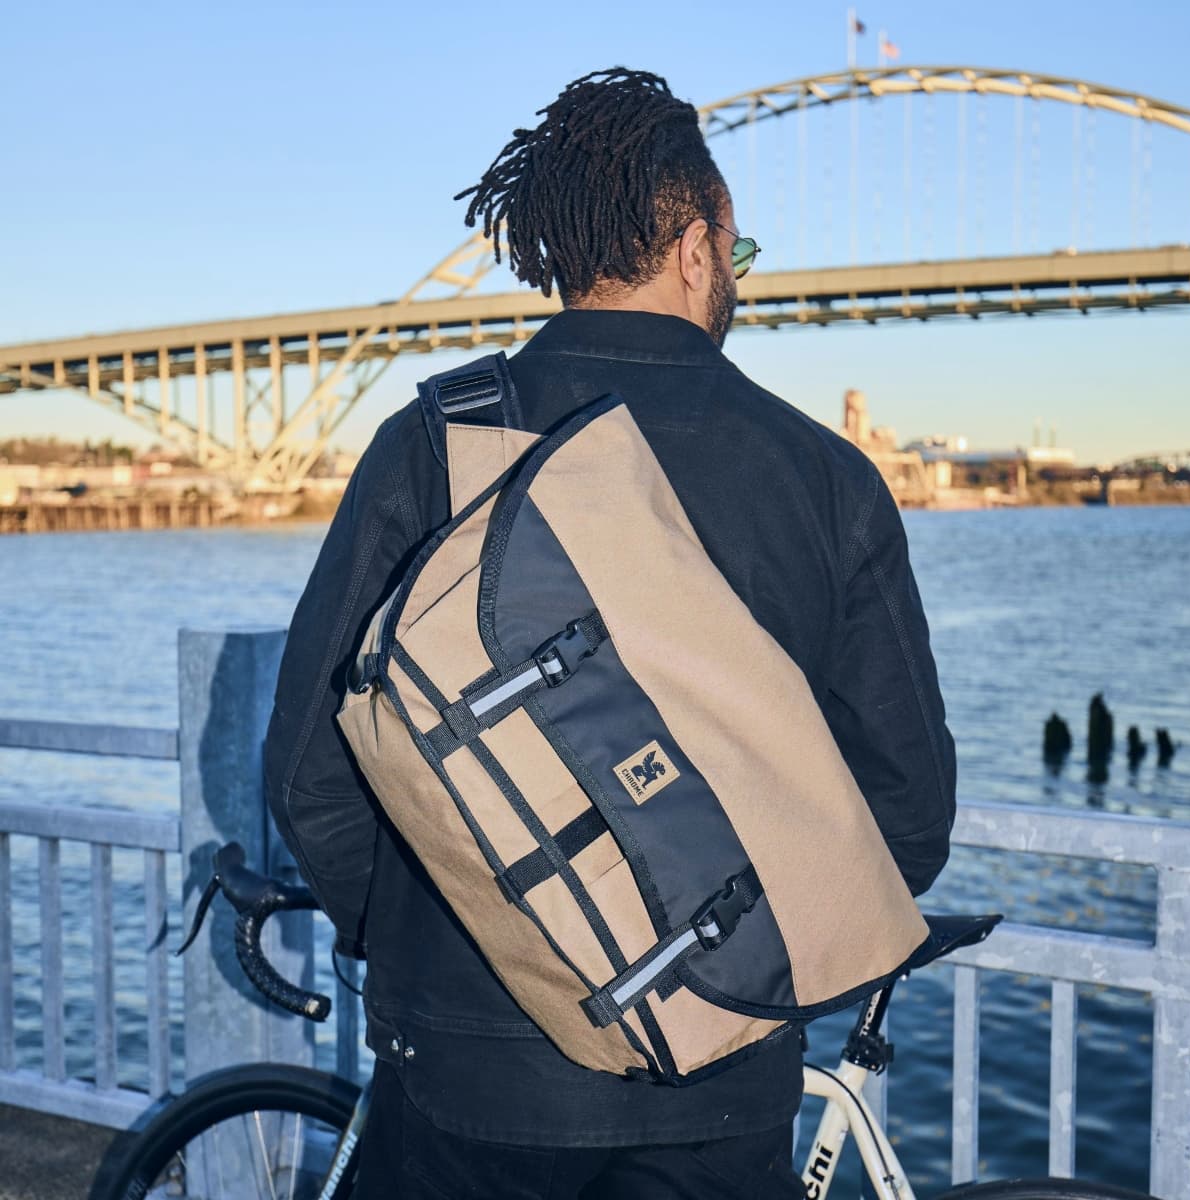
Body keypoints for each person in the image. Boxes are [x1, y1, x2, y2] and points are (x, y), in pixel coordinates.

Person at [264, 66, 955, 1199]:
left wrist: (446, 943)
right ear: (696, 249)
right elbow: (908, 820)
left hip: (464, 1082)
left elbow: (311, 779)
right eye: (738, 250)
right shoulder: (826, 479)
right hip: (721, 1081)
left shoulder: (437, 444)